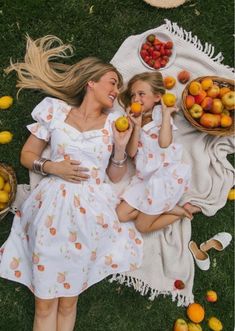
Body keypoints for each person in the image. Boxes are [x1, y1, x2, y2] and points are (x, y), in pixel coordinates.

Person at [0, 35, 143, 331]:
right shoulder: (54, 110)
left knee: (68, 301)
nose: (117, 91)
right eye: (112, 82)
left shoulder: (114, 124)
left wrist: (119, 148)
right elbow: (27, 155)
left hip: (90, 213)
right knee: (44, 302)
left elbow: (115, 176)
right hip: (52, 205)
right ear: (91, 82)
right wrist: (53, 166)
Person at [116, 72, 200, 233]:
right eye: (133, 95)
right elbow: (132, 153)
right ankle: (166, 207)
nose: (135, 99)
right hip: (144, 178)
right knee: (121, 214)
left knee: (141, 226)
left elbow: (164, 143)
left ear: (156, 97)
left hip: (164, 176)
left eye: (141, 94)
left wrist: (166, 114)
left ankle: (181, 212)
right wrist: (136, 126)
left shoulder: (160, 115)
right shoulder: (132, 120)